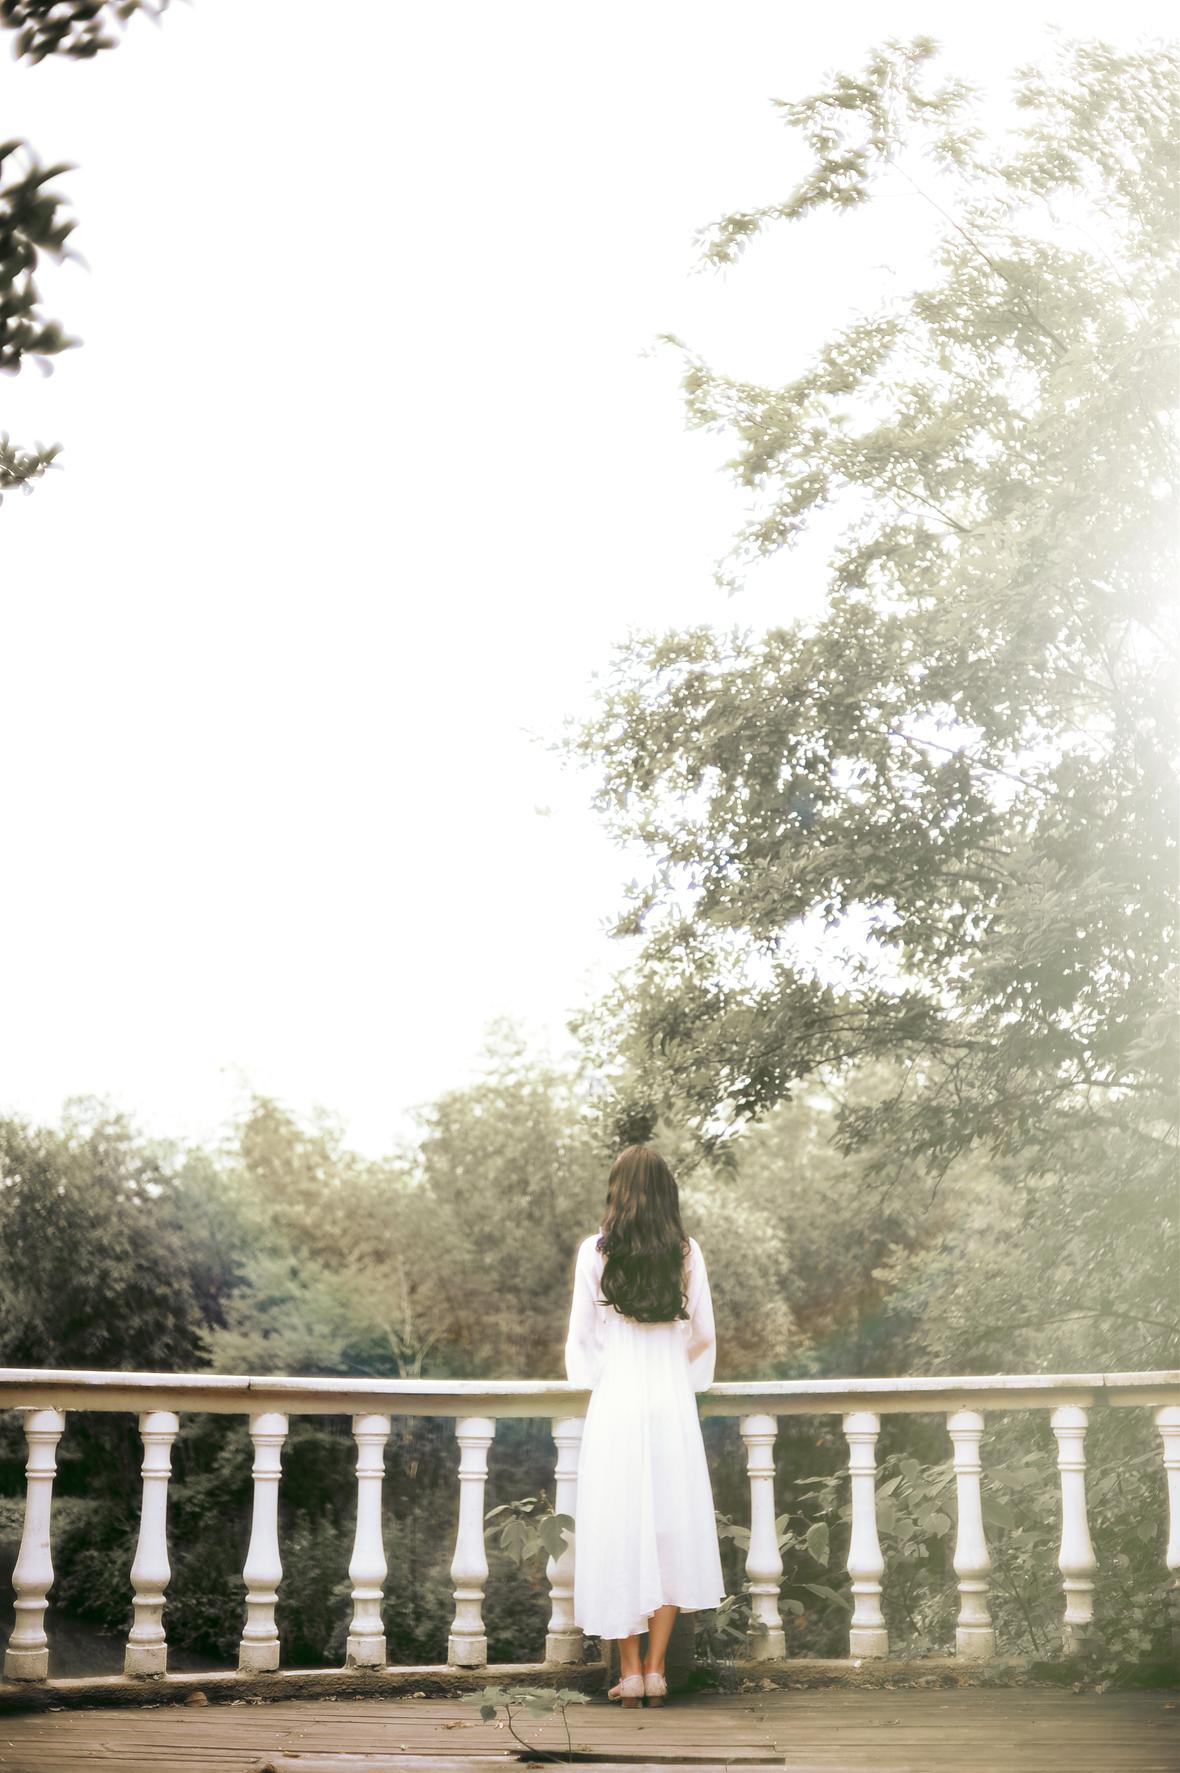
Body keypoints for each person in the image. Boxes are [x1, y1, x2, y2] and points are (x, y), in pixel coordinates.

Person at [563, 1144, 725, 1709]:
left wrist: (597, 1375)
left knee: (618, 1531)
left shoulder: (596, 1253)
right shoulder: (685, 1252)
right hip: (669, 1404)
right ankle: (657, 1670)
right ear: (666, 1193)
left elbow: (582, 1339)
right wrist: (680, 1374)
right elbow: (702, 1334)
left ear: (617, 1191)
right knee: (670, 1531)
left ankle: (629, 1672)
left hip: (617, 1405)